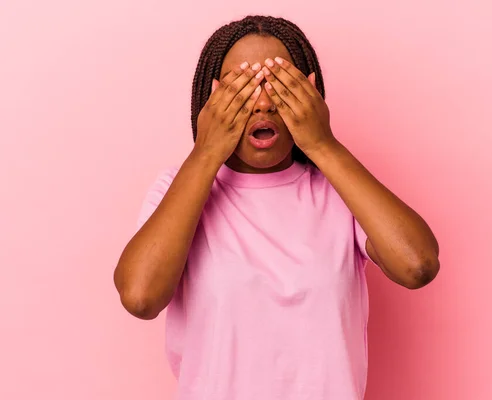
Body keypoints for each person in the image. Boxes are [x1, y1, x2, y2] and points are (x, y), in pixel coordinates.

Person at [113, 15, 440, 400]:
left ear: (311, 95)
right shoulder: (176, 190)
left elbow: (417, 264)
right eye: (242, 88)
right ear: (210, 99)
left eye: (280, 85)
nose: (264, 102)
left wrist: (323, 144)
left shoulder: (341, 193)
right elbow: (140, 296)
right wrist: (206, 153)